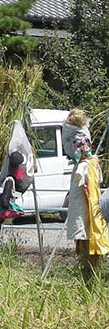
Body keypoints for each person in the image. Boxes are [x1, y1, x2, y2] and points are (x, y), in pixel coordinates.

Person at [63, 109, 109, 281]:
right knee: (85, 240)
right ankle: (89, 275)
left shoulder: (85, 166)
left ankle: (90, 276)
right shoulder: (89, 164)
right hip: (89, 213)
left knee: (87, 239)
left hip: (89, 214)